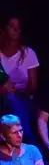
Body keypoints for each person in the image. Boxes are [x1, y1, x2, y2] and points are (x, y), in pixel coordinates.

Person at [0, 16, 40, 145]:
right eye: (12, 26)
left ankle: (28, 142)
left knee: (13, 99)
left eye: (18, 27)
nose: (16, 30)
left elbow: (33, 87)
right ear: (5, 28)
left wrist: (16, 88)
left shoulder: (28, 53)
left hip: (24, 99)